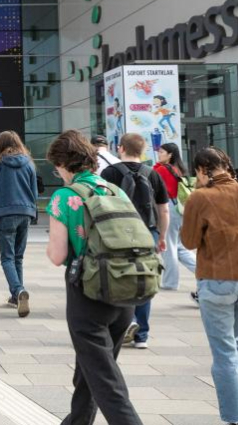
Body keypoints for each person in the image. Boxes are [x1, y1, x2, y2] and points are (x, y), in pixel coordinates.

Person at [44, 130, 143, 425]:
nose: (59, 174)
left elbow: (57, 255)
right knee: (90, 372)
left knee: (106, 382)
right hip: (125, 290)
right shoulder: (114, 190)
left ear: (63, 164)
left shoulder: (65, 197)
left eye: (57, 168)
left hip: (89, 294)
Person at [181, 147, 238, 425]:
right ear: (227, 166)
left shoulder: (200, 197)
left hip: (218, 281)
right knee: (236, 341)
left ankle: (234, 417)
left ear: (201, 170)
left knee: (224, 351)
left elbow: (189, 241)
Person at [101, 133, 170, 349]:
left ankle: (125, 324)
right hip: (147, 231)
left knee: (119, 276)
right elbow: (164, 209)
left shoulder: (109, 173)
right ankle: (142, 335)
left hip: (118, 232)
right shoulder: (153, 174)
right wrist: (162, 236)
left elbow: (101, 204)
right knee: (144, 278)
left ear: (121, 148)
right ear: (143, 150)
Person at [0, 130, 38, 318]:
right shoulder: (29, 163)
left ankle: (18, 290)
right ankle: (16, 298)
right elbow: (34, 193)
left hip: (5, 213)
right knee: (18, 257)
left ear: (0, 144)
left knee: (7, 258)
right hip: (26, 212)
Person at [152, 143, 197, 294]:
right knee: (178, 246)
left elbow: (153, 184)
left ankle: (170, 282)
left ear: (170, 154)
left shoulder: (162, 169)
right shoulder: (178, 169)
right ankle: (204, 272)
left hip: (169, 208)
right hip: (179, 208)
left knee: (168, 246)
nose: (159, 154)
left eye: (162, 152)